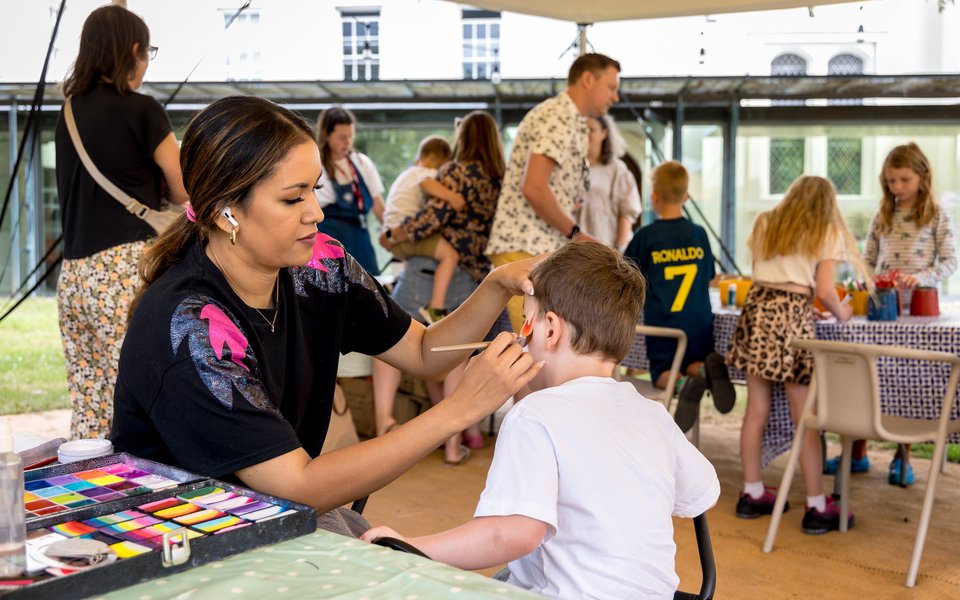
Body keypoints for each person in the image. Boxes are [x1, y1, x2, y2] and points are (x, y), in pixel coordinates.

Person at [109, 96, 542, 535]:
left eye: (314, 190)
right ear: (225, 212)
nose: (315, 213)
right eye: (293, 198)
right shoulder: (188, 328)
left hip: (274, 518)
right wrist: (458, 410)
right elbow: (297, 487)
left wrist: (496, 285)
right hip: (184, 539)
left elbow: (425, 351)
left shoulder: (320, 267)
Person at [362, 242, 719, 599]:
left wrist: (409, 547)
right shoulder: (652, 414)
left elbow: (511, 534)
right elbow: (702, 493)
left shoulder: (534, 415)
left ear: (549, 329)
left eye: (525, 320)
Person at [54, 4, 188, 440]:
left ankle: (88, 491)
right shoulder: (143, 110)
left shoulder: (69, 112)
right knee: (134, 395)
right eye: (147, 51)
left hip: (73, 276)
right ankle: (140, 495)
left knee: (90, 400)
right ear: (132, 50)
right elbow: (185, 187)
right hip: (121, 270)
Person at [726, 175, 872, 534]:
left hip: (758, 308)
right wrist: (842, 312)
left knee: (756, 410)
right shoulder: (825, 230)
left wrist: (809, 303)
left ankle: (752, 492)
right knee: (805, 415)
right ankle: (817, 505)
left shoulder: (766, 221)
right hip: (791, 319)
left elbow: (776, 277)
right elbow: (824, 290)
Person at [378, 110, 508, 462]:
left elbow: (432, 217)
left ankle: (389, 424)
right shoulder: (502, 180)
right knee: (459, 357)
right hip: (476, 276)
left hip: (433, 272)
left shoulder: (454, 172)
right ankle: (455, 443)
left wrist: (394, 235)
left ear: (463, 140)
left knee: (392, 338)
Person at [830, 142, 958, 485]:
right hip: (880, 306)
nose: (896, 187)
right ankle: (855, 452)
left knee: (906, 379)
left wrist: (922, 278)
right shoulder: (882, 215)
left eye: (903, 179)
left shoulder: (936, 216)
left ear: (922, 177)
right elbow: (867, 259)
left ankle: (902, 458)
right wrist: (865, 278)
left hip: (918, 310)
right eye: (890, 181)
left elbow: (950, 261)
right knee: (866, 374)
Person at [485, 52, 620, 331]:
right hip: (524, 248)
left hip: (539, 249)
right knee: (537, 343)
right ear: (586, 79)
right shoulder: (556, 116)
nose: (615, 97)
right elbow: (534, 187)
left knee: (549, 343)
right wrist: (576, 234)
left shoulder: (572, 122)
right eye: (611, 87)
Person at [624, 161, 735, 433]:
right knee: (692, 359)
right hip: (698, 324)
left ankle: (684, 384)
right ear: (686, 197)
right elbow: (708, 276)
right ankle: (705, 370)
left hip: (664, 324)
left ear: (654, 197)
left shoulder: (646, 236)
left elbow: (624, 274)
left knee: (664, 373)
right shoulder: (699, 234)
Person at [381, 135, 461, 324]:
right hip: (405, 236)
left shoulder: (406, 174)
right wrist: (452, 196)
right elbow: (427, 183)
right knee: (450, 256)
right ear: (439, 163)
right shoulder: (425, 173)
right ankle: (436, 307)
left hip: (392, 236)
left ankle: (398, 282)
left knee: (416, 258)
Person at [314, 106, 385, 274]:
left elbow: (378, 205)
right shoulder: (316, 165)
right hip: (328, 241)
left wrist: (390, 234)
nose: (347, 142)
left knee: (369, 288)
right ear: (327, 135)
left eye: (350, 136)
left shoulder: (361, 163)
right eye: (341, 137)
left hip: (360, 240)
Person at [576, 115, 641, 250]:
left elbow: (627, 213)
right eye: (582, 130)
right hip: (575, 250)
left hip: (606, 247)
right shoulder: (571, 168)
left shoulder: (616, 169)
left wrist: (620, 250)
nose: (585, 134)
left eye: (591, 130)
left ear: (604, 133)